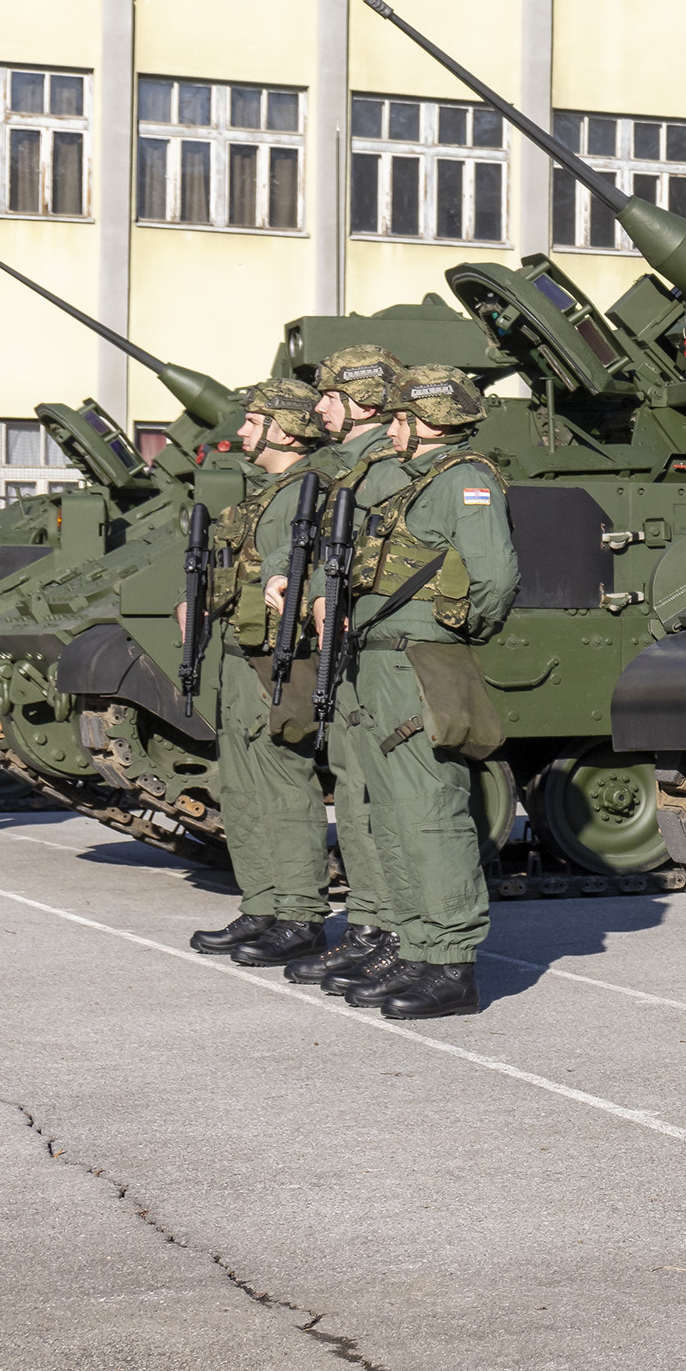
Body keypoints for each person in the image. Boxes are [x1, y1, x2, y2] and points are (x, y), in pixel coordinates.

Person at [317, 363, 516, 1020]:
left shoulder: (465, 480)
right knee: (394, 814)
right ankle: (418, 946)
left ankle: (451, 962)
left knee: (430, 812)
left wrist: (454, 634)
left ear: (423, 420)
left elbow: (495, 577)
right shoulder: (418, 484)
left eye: (398, 417)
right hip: (382, 662)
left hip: (419, 662)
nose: (390, 428)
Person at [182, 380, 336, 966]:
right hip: (238, 652)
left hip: (276, 658)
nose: (242, 431)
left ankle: (298, 915)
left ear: (288, 428)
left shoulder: (308, 492)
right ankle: (263, 905)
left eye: (254, 420)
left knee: (281, 784)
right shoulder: (262, 496)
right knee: (243, 789)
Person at [279, 347, 409, 995]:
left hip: (376, 650)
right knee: (354, 795)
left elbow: (391, 561)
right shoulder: (355, 469)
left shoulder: (386, 471)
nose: (320, 409)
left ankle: (391, 932)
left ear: (362, 400)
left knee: (374, 798)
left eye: (329, 396)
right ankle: (369, 927)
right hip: (352, 654)